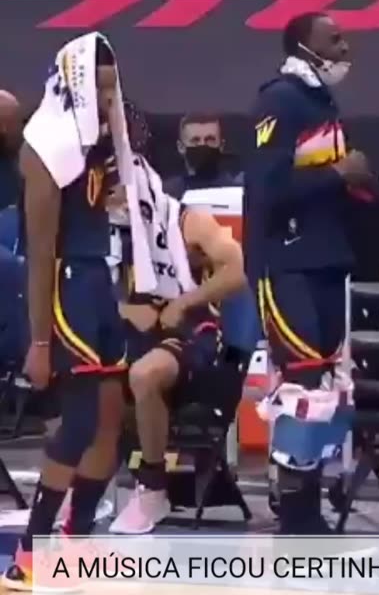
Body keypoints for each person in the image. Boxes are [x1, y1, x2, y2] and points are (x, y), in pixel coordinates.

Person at [244, 12, 379, 534]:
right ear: (304, 47)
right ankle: (294, 519)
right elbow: (267, 190)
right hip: (285, 265)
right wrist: (337, 173)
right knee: (302, 387)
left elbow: (338, 189)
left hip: (325, 262)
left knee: (326, 389)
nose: (346, 47)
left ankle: (307, 513)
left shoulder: (323, 105)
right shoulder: (278, 101)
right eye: (335, 39)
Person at [2, 35, 129, 590]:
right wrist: (39, 342)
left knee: (111, 422)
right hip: (65, 282)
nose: (109, 100)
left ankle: (77, 541)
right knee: (77, 423)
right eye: (100, 90)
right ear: (75, 87)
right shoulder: (44, 147)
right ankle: (29, 554)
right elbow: (40, 252)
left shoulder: (100, 138)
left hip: (99, 277)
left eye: (113, 90)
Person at [108, 150, 246, 534]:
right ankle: (86, 485)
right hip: (129, 330)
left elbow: (238, 269)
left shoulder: (186, 220)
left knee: (145, 374)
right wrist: (123, 309)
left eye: (114, 191)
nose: (109, 199)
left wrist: (184, 302)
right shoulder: (101, 228)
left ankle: (153, 488)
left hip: (188, 332)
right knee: (79, 374)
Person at [163, 113, 242, 201]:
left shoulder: (237, 191)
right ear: (181, 147)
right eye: (195, 140)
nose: (202, 145)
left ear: (221, 146)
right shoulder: (165, 194)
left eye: (210, 140)